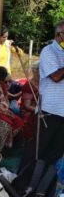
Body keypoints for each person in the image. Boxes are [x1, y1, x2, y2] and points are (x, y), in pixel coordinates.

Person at [35, 20, 64, 166]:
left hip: (62, 111)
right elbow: (56, 76)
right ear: (60, 35)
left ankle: (46, 186)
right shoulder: (49, 51)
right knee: (39, 151)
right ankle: (24, 185)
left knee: (56, 152)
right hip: (50, 110)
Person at [0, 67, 23, 153]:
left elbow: (5, 99)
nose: (5, 83)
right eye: (4, 81)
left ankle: (6, 147)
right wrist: (5, 112)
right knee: (6, 125)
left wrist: (7, 111)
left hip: (2, 109)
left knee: (19, 122)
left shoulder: (1, 85)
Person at [20, 61, 40, 140]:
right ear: (34, 71)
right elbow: (27, 106)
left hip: (39, 108)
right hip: (29, 111)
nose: (40, 74)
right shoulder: (28, 86)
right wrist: (39, 111)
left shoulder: (44, 83)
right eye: (38, 71)